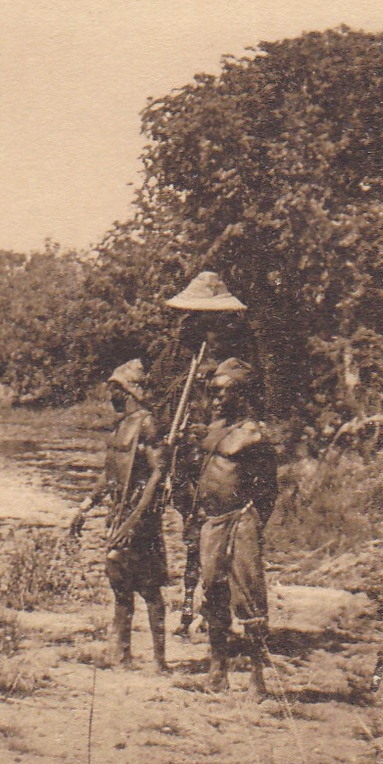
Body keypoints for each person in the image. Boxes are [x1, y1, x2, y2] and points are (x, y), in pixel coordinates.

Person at [155, 270, 253, 639]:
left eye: (210, 316)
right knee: (192, 528)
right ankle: (188, 607)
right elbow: (165, 397)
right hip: (188, 453)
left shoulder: (240, 348)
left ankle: (222, 613)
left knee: (226, 530)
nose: (204, 323)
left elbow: (247, 405)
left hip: (224, 452)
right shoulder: (181, 348)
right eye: (198, 315)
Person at [68, 358, 170, 671]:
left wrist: (135, 519)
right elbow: (109, 476)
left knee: (149, 587)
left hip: (140, 515)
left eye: (115, 390)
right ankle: (121, 655)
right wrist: (85, 507)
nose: (111, 396)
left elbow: (159, 473)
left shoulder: (147, 423)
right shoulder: (119, 427)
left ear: (127, 390)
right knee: (120, 583)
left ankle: (159, 660)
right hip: (119, 512)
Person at [191, 358, 280, 694]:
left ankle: (258, 677)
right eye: (212, 392)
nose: (215, 398)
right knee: (213, 591)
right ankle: (217, 669)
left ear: (241, 394)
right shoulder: (209, 433)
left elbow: (269, 488)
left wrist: (254, 522)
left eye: (223, 392)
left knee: (249, 596)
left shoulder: (254, 435)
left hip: (241, 520)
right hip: (211, 522)